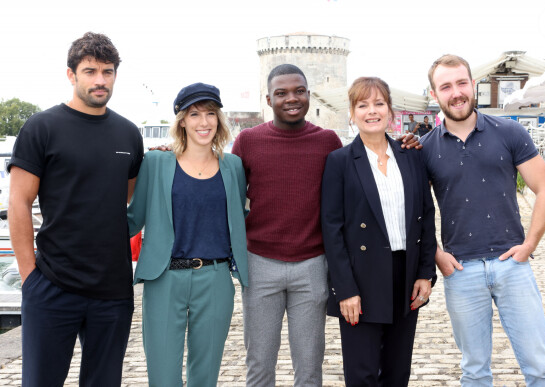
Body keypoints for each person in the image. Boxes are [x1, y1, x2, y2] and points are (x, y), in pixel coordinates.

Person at [232, 64, 421, 386]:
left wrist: (406, 143)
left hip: (313, 266)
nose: (291, 99)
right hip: (261, 264)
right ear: (268, 99)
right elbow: (229, 198)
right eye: (281, 93)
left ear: (309, 94)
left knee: (309, 365)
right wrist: (171, 153)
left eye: (299, 91)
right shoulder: (248, 141)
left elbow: (357, 191)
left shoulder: (329, 142)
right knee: (260, 363)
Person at [8, 32, 143, 386]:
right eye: (90, 71)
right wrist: (29, 278)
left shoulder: (129, 134)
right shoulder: (42, 128)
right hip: (52, 284)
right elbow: (19, 202)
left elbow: (125, 199)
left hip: (113, 290)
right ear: (72, 74)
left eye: (108, 72)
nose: (100, 80)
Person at [420, 54, 545, 386]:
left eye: (461, 83)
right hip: (462, 272)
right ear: (435, 95)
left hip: (513, 266)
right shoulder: (424, 149)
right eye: (446, 86)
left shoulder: (509, 131)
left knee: (540, 369)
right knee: (475, 372)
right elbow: (415, 212)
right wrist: (437, 254)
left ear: (473, 85)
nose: (456, 92)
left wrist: (529, 245)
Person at [127, 83, 249, 387]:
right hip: (164, 279)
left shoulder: (233, 166)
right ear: (182, 120)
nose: (203, 122)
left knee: (205, 376)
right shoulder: (156, 163)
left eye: (210, 114)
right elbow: (132, 219)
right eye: (194, 114)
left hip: (216, 279)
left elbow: (242, 218)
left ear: (219, 119)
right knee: (163, 376)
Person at [321, 77, 437, 386]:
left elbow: (426, 215)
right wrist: (344, 289)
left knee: (398, 373)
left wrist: (425, 273)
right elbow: (331, 230)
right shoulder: (340, 161)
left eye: (378, 104)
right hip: (362, 278)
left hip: (406, 274)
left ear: (391, 112)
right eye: (363, 105)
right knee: (362, 375)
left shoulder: (412, 154)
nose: (371, 111)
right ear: (351, 113)